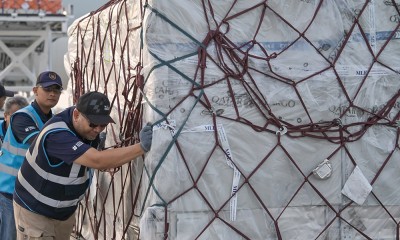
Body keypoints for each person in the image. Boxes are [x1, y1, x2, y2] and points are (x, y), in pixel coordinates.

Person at [13, 91, 153, 240]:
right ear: (76, 115)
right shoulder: (57, 135)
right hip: (35, 212)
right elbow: (97, 161)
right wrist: (141, 147)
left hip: (62, 213)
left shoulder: (86, 131)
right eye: (93, 124)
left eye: (103, 124)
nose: (98, 129)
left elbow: (94, 163)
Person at [0, 71, 63, 240]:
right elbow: (42, 144)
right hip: (11, 192)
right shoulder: (23, 117)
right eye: (47, 89)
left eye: (56, 90)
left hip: (32, 194)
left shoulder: (54, 120)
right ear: (35, 91)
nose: (52, 93)